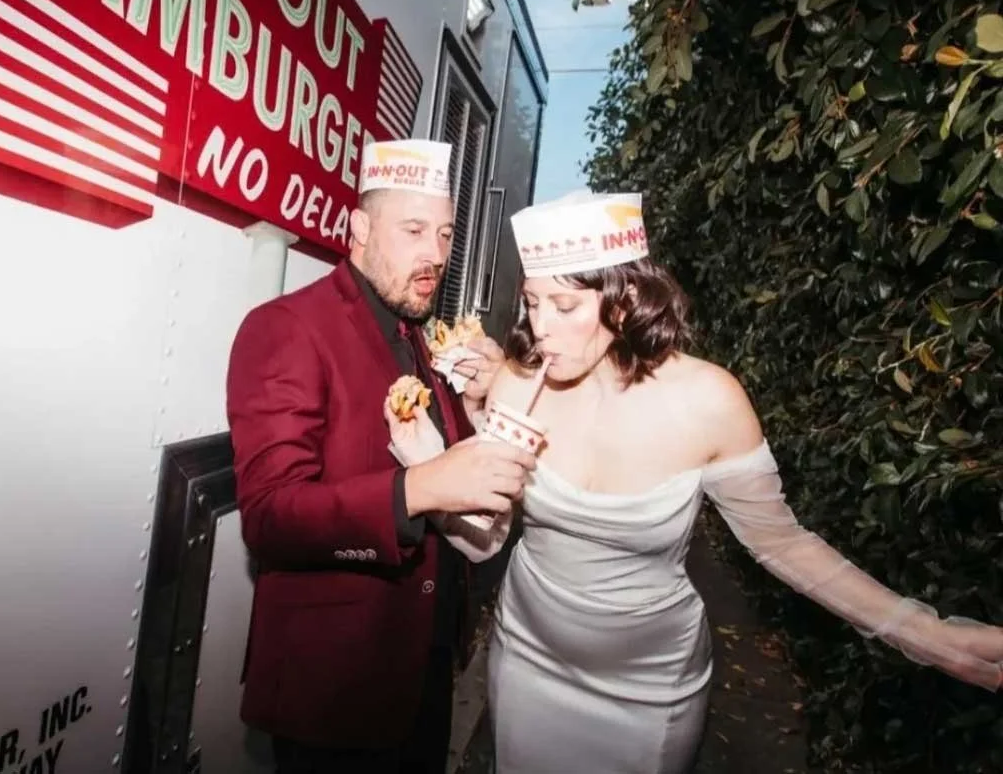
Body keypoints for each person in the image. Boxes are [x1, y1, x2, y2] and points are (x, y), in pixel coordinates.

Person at [384, 190, 1003, 774]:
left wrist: (923, 633)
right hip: (527, 660)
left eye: (564, 306)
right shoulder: (519, 386)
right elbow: (485, 541)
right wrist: (427, 463)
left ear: (623, 302)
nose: (540, 327)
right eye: (532, 302)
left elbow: (782, 543)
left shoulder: (709, 401)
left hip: (648, 689)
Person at [225, 138, 534, 774]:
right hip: (335, 689)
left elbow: (446, 460)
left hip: (423, 669)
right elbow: (270, 517)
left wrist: (477, 406)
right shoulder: (287, 327)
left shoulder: (416, 332)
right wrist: (419, 490)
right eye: (414, 230)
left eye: (445, 235)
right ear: (360, 229)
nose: (436, 255)